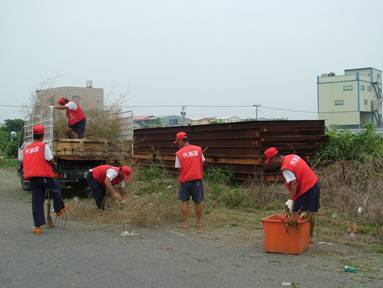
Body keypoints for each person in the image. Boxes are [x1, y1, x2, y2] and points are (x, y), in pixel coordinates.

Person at [264, 147, 320, 238]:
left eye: (270, 161)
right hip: (314, 183)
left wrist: (291, 200)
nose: (271, 164)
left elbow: (294, 183)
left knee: (295, 214)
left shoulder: (286, 168)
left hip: (306, 188)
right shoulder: (292, 156)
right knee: (310, 212)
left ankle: (297, 238)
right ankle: (308, 238)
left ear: (274, 158)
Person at [23, 124, 68, 234]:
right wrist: (54, 163)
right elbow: (49, 158)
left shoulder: (27, 148)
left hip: (32, 178)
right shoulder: (43, 146)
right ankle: (59, 209)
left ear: (33, 135)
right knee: (56, 189)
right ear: (42, 135)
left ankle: (37, 227)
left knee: (37, 201)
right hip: (44, 175)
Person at [174, 131, 205, 231]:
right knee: (198, 202)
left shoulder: (179, 153)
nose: (177, 144)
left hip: (185, 180)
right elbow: (202, 161)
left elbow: (179, 168)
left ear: (182, 141)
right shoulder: (198, 149)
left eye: (178, 142)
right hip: (197, 180)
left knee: (184, 202)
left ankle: (186, 223)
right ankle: (199, 223)